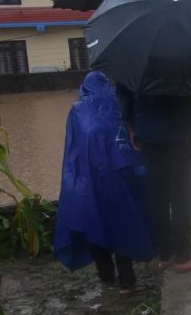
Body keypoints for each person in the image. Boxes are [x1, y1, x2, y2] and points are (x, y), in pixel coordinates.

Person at [54, 71, 155, 293]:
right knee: (123, 225)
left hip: (90, 182)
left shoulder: (77, 110)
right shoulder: (117, 104)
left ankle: (106, 277)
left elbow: (73, 150)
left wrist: (75, 183)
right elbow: (128, 142)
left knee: (95, 225)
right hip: (120, 179)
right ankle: (127, 281)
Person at [116, 83, 191, 273]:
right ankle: (183, 257)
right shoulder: (180, 63)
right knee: (181, 197)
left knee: (157, 198)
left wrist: (132, 129)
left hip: (149, 136)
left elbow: (124, 98)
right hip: (181, 133)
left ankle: (165, 254)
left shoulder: (132, 69)